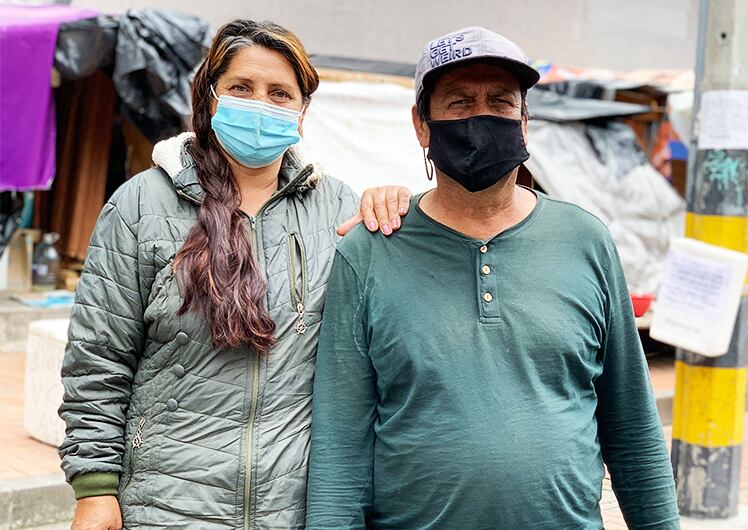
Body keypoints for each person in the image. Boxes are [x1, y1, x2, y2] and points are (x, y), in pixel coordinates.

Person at [307, 26, 680, 529]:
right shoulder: (369, 251)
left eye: (501, 102)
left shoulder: (585, 241)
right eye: (459, 102)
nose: (481, 117)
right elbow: (340, 445)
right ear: (422, 125)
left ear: (524, 122)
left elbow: (632, 427)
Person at [60, 20, 411, 530]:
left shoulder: (337, 209)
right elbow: (97, 359)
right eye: (242, 88)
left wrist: (398, 202)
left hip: (289, 510)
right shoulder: (142, 204)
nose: (261, 105)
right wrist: (94, 489)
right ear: (212, 96)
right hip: (167, 505)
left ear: (303, 110)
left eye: (279, 93)